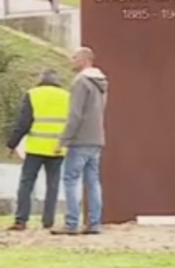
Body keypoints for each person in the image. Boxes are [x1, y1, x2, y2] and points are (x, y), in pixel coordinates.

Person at [52, 47, 107, 235]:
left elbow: (74, 114)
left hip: (80, 139)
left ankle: (71, 223)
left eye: (74, 57)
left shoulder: (80, 82)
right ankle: (94, 223)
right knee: (93, 181)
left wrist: (62, 139)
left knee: (71, 179)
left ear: (85, 59)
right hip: (97, 138)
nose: (71, 60)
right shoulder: (101, 83)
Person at [6, 69, 70, 231]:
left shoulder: (33, 94)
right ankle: (48, 221)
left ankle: (21, 220)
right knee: (53, 185)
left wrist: (12, 144)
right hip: (57, 148)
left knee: (27, 183)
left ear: (40, 79)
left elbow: (24, 123)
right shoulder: (67, 96)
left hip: (36, 147)